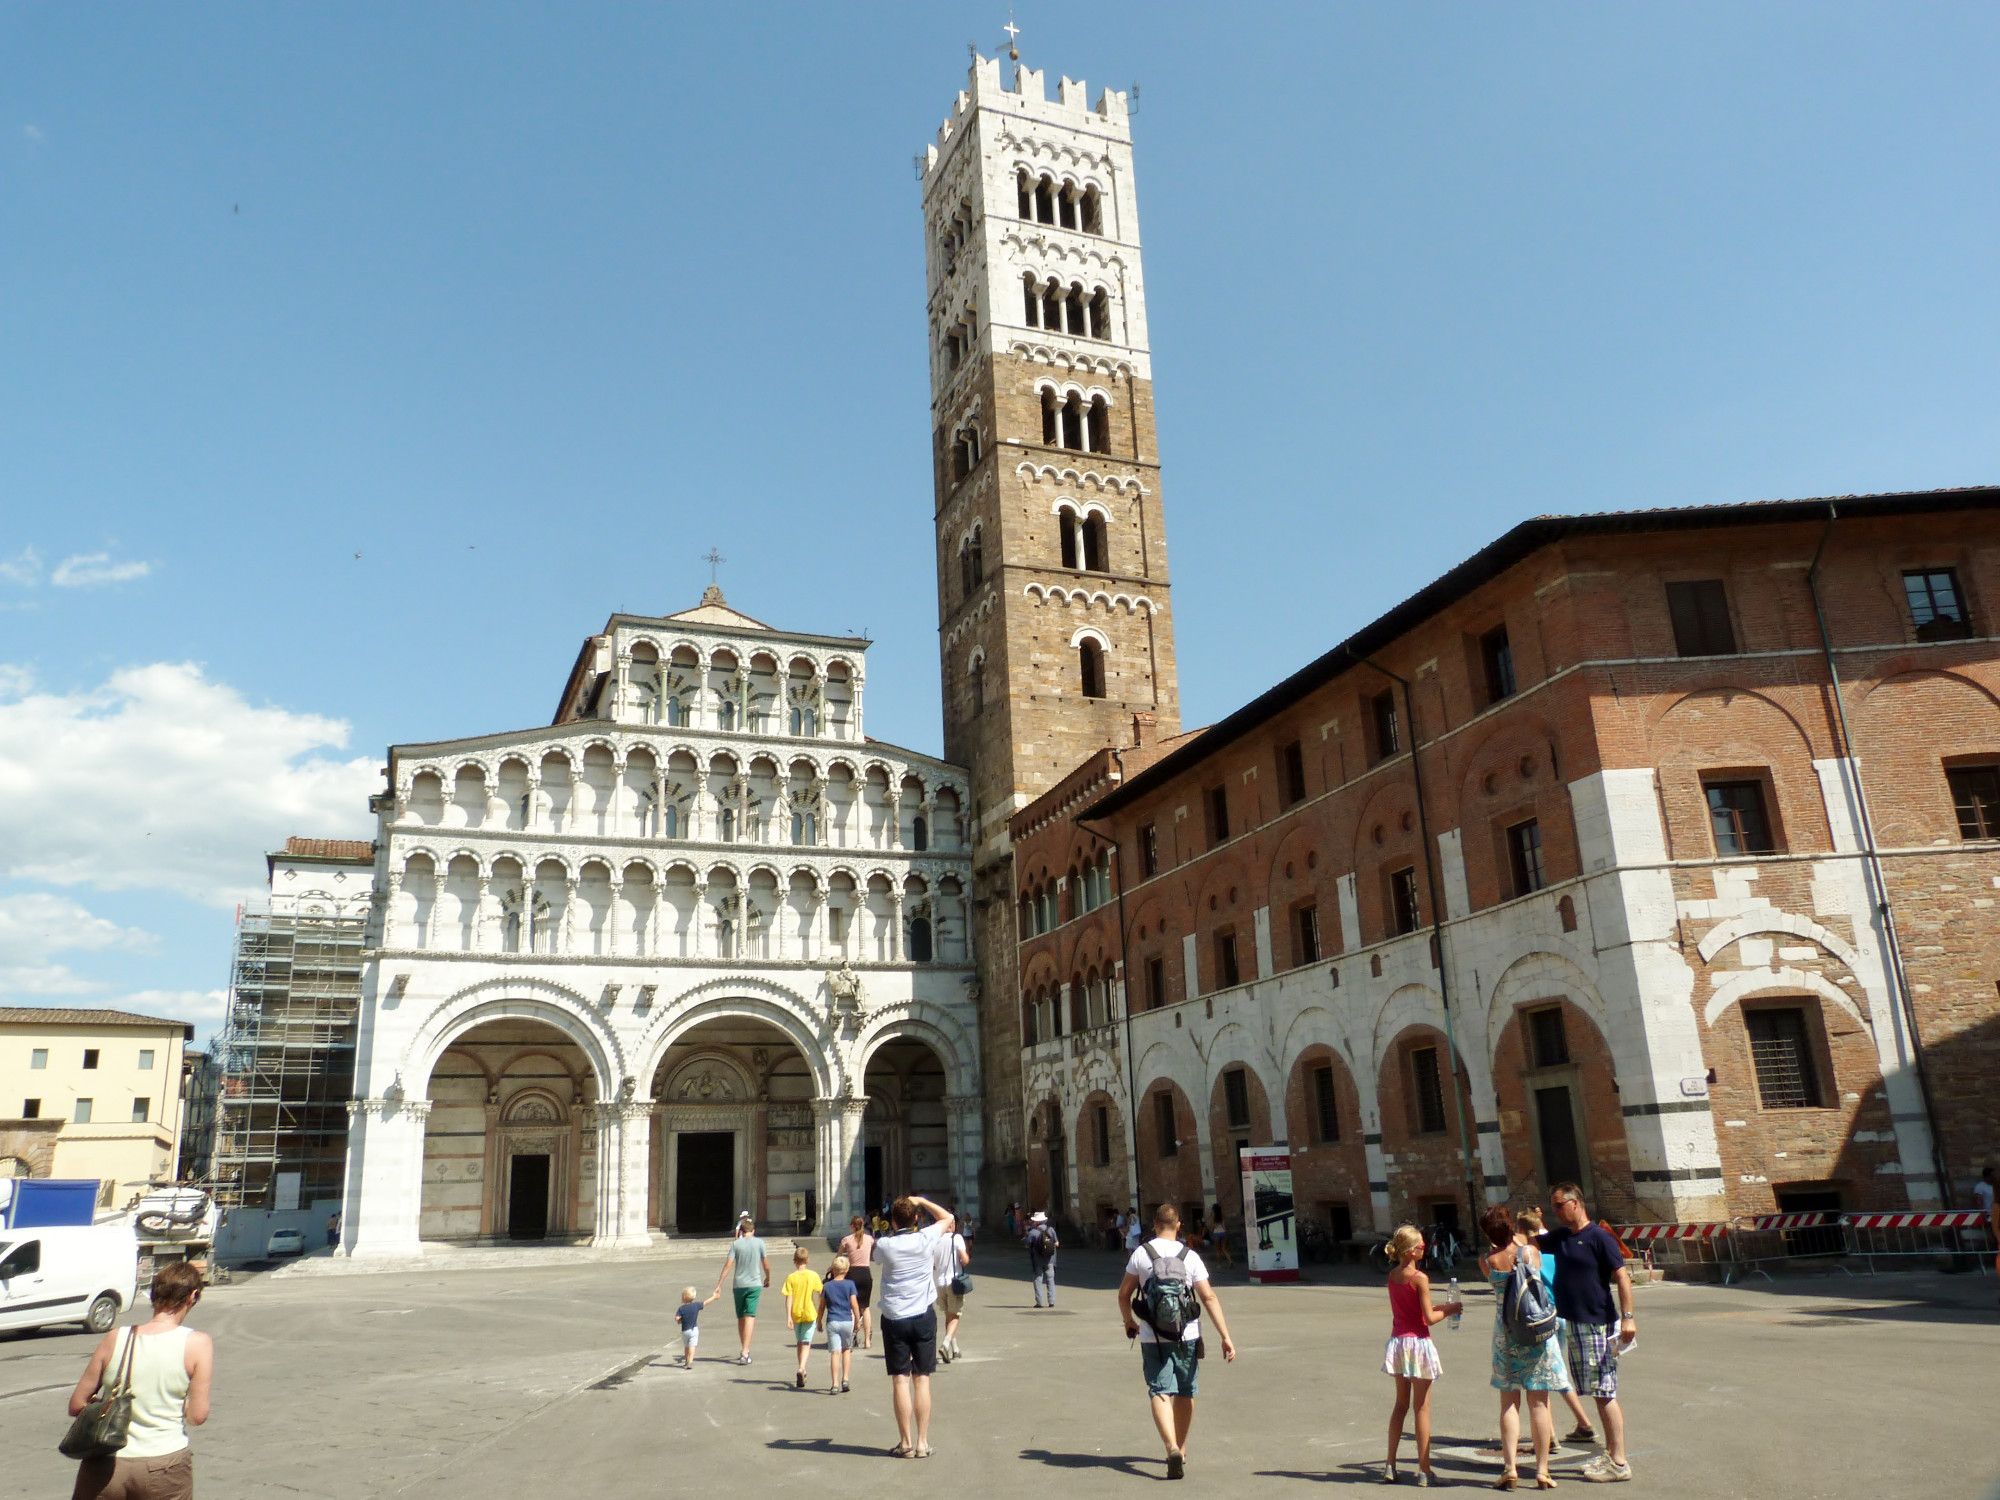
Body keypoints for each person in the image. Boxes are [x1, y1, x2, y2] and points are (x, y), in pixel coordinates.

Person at [67, 1260, 214, 1500]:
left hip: (105, 1464)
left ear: (154, 1294)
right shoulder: (198, 1343)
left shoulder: (116, 1337)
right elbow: (198, 1416)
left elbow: (77, 1405)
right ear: (192, 1296)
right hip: (163, 1465)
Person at [1118, 1203, 1237, 1482]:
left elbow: (1124, 1295)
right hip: (1188, 1336)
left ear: (1154, 1225)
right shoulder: (1190, 1256)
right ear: (1179, 1226)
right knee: (1186, 1392)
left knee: (1160, 1391)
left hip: (1153, 1336)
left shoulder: (1141, 1254)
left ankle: (1170, 1446)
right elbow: (1208, 1297)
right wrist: (1225, 1336)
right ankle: (1181, 1449)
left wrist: (1129, 1323)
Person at [1543, 1184, 1636, 1483]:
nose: (1554, 1211)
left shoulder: (1599, 1237)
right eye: (1553, 1206)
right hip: (1576, 1323)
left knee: (1604, 1391)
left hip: (1597, 1322)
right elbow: (1530, 1244)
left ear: (1575, 1203)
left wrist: (1628, 1318)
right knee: (1597, 1391)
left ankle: (1619, 1462)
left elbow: (1622, 1276)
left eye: (1558, 1205)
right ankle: (1611, 1455)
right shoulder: (1561, 1237)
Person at [1479, 1205, 1568, 1491]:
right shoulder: (1529, 1252)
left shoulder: (1488, 1261)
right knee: (1539, 1403)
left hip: (1506, 1334)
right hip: (1536, 1333)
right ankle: (1542, 1470)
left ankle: (1510, 1467)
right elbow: (1539, 1276)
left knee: (1509, 1402)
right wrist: (1520, 1239)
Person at [872, 1193, 955, 1458]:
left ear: (893, 1221)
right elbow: (949, 1218)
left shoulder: (885, 1245)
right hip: (922, 1316)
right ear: (916, 1218)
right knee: (922, 1379)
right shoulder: (926, 1237)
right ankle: (922, 1443)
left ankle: (905, 1443)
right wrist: (922, 1200)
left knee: (900, 1380)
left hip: (895, 1318)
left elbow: (876, 1258)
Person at [1382, 1223, 1462, 1487]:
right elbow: (1428, 1318)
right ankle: (1424, 1469)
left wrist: (1440, 1306)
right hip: (1418, 1344)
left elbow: (1412, 1310)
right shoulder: (1420, 1278)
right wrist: (1450, 1310)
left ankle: (1390, 1465)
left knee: (1400, 1405)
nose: (1424, 1247)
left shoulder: (1393, 1276)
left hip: (1398, 1342)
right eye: (1420, 1245)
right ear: (1411, 1250)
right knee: (1422, 1408)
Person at [1518, 1207, 1596, 1447]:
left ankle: (1581, 1424)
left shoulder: (1532, 1252)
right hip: (1562, 1312)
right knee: (1550, 1371)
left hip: (1545, 1316)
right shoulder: (1557, 1246)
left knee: (1551, 1374)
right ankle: (1550, 1433)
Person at [710, 1213, 771, 1365]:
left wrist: (719, 1285)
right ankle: (745, 1350)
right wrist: (768, 1277)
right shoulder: (759, 1243)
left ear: (742, 1232)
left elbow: (728, 1265)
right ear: (753, 1230)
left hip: (739, 1285)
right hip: (754, 1284)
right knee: (750, 1316)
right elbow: (766, 1263)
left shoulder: (736, 1245)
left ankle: (744, 1348)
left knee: (741, 1317)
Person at [781, 1246, 824, 1389]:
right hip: (809, 1312)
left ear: (794, 1261)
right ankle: (801, 1367)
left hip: (796, 1313)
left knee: (799, 1342)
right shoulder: (813, 1275)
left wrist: (788, 1317)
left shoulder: (791, 1277)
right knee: (806, 1343)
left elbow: (788, 1297)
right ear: (808, 1260)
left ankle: (802, 1369)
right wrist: (820, 1311)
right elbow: (820, 1292)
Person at [819, 1255, 859, 1394]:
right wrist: (858, 1321)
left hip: (832, 1321)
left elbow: (822, 1306)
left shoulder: (827, 1286)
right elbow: (854, 1304)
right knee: (846, 1349)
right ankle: (845, 1379)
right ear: (847, 1269)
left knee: (835, 1353)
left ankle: (835, 1383)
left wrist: (819, 1321)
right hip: (847, 1320)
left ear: (833, 1269)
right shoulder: (850, 1285)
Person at [933, 1214, 970, 1362]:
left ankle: (955, 1349)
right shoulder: (957, 1238)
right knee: (955, 1316)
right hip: (953, 1283)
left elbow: (933, 1264)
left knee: (948, 1316)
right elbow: (965, 1260)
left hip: (940, 1283)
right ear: (951, 1224)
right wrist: (965, 1259)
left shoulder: (935, 1241)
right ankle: (945, 1344)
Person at [838, 1215, 877, 1350]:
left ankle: (849, 1338)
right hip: (866, 1274)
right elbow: (874, 1249)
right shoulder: (870, 1239)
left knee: (851, 1307)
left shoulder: (846, 1240)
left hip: (852, 1274)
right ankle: (867, 1341)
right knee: (865, 1308)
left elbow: (838, 1258)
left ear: (853, 1226)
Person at [676, 1285, 720, 1369]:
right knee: (692, 1346)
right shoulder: (696, 1305)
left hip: (685, 1331)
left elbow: (677, 1318)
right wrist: (714, 1297)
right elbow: (706, 1302)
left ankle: (686, 1360)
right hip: (694, 1330)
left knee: (686, 1347)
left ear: (684, 1297)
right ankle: (690, 1362)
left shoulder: (681, 1308)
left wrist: (680, 1320)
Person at [1025, 1211, 1060, 1308]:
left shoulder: (1033, 1232)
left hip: (1037, 1260)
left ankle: (1040, 1302)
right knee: (1050, 1280)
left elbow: (1027, 1245)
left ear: (1036, 1222)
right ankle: (1051, 1301)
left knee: (1038, 1280)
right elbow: (1057, 1243)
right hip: (1050, 1259)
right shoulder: (1051, 1230)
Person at [1976, 1166, 1998, 1301]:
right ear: (1987, 1177)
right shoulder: (1981, 1186)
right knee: (1995, 1240)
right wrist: (1982, 1213)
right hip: (1991, 1216)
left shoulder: (1996, 1186)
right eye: (1992, 1175)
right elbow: (1979, 1200)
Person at [1208, 1204, 1235, 1269]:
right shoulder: (1222, 1215)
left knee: (1218, 1250)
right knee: (1224, 1249)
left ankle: (1219, 1264)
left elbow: (1213, 1226)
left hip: (1216, 1233)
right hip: (1223, 1232)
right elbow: (1224, 1225)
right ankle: (1230, 1261)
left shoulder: (1213, 1217)